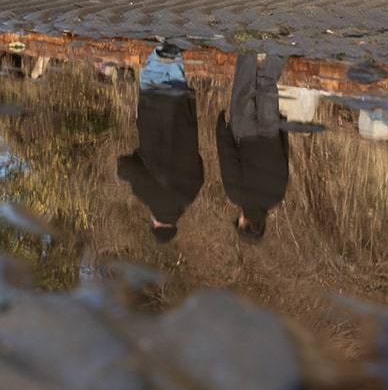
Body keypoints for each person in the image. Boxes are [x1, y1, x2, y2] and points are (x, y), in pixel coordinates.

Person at [116, 45, 203, 243]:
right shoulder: (150, 197)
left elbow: (198, 160)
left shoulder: (190, 194)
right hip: (155, 112)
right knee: (153, 71)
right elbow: (126, 168)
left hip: (183, 115)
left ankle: (175, 42)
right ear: (155, 223)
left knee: (175, 70)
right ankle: (166, 39)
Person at [217, 53, 289, 242]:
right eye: (239, 223)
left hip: (271, 133)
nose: (238, 218)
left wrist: (282, 127)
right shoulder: (237, 195)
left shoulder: (277, 196)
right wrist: (221, 130)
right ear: (245, 224)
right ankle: (248, 42)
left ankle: (282, 43)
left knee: (267, 82)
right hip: (246, 132)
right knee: (243, 83)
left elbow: (284, 157)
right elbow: (228, 158)